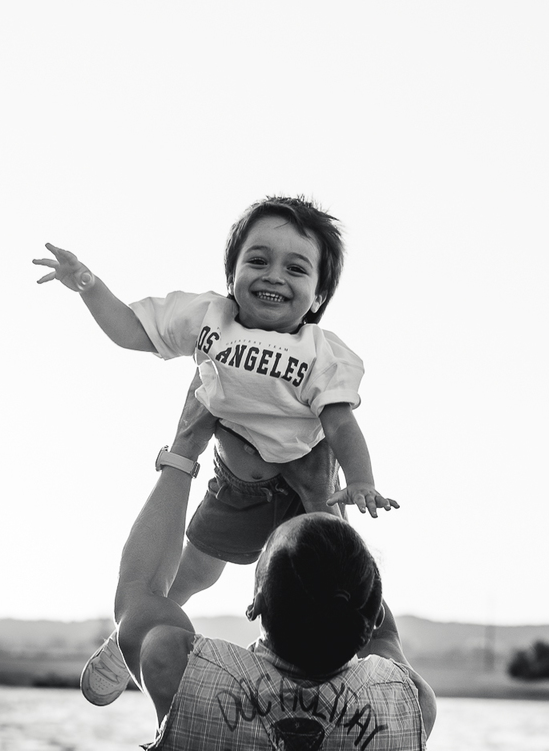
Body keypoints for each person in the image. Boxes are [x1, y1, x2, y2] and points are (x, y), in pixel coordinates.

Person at [34, 197, 399, 704]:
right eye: (258, 260)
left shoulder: (322, 353)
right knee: (197, 570)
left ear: (317, 295)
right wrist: (89, 286)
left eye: (296, 268)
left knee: (339, 584)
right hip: (238, 487)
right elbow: (133, 330)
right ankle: (123, 644)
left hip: (309, 493)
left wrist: (360, 481)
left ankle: (358, 676)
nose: (274, 275)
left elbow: (341, 424)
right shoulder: (210, 318)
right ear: (232, 274)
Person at [114, 377, 435, 748]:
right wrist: (319, 496)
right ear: (376, 613)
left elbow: (140, 591)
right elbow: (382, 637)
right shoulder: (409, 704)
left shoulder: (175, 667)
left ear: (255, 604)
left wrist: (184, 448)